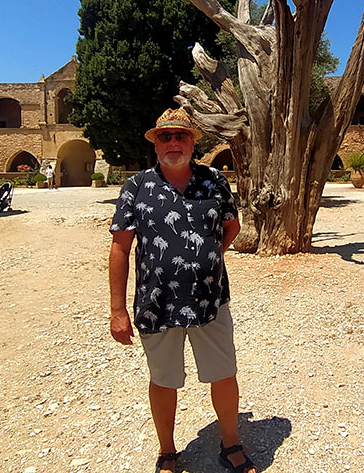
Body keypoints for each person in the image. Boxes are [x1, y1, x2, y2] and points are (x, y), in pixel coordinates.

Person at [108, 108, 256, 473]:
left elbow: (232, 227)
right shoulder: (136, 187)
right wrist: (117, 310)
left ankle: (231, 443)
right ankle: (167, 451)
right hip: (157, 303)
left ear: (193, 142)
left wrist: (208, 259)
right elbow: (120, 248)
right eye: (165, 136)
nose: (173, 142)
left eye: (181, 135)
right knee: (163, 380)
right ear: (156, 144)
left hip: (211, 300)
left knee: (224, 373)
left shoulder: (214, 181)